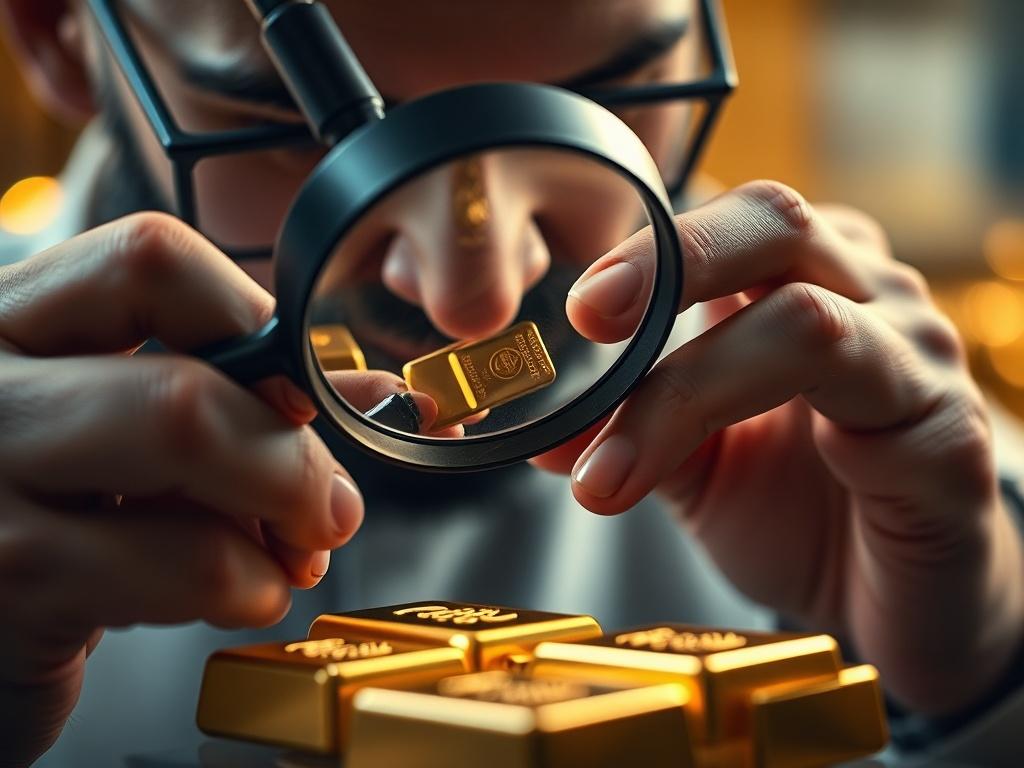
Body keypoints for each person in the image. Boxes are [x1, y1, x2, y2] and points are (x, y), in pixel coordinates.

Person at [1, 1, 1022, 765]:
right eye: (287, 118)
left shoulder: (872, 421)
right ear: (57, 33)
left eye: (608, 98)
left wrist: (972, 683)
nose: (473, 299)